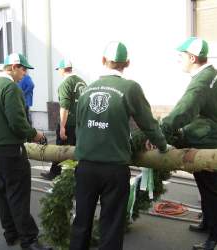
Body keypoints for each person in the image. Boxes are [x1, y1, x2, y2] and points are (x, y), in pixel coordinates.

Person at [69, 41, 168, 250]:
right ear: (127, 63)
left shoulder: (87, 90)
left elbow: (78, 127)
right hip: (114, 168)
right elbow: (148, 124)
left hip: (85, 166)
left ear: (103, 60)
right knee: (111, 224)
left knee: (81, 220)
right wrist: (163, 146)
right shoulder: (130, 88)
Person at [0, 53, 52, 250]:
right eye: (22, 68)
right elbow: (18, 123)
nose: (24, 73)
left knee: (3, 191)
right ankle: (29, 240)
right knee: (18, 194)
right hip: (11, 149)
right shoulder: (10, 88)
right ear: (13, 67)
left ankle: (10, 233)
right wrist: (35, 134)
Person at [161, 37, 217, 250]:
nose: (179, 60)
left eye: (181, 57)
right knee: (208, 188)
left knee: (212, 190)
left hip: (207, 143)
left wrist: (160, 132)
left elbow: (183, 111)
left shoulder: (201, 81)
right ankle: (209, 223)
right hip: (216, 139)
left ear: (192, 57)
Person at [41, 59, 86, 180]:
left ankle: (55, 172)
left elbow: (64, 107)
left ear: (62, 70)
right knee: (78, 149)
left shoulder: (65, 84)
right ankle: (79, 175)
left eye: (59, 70)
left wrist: (62, 126)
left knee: (59, 148)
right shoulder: (82, 82)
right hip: (81, 122)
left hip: (69, 122)